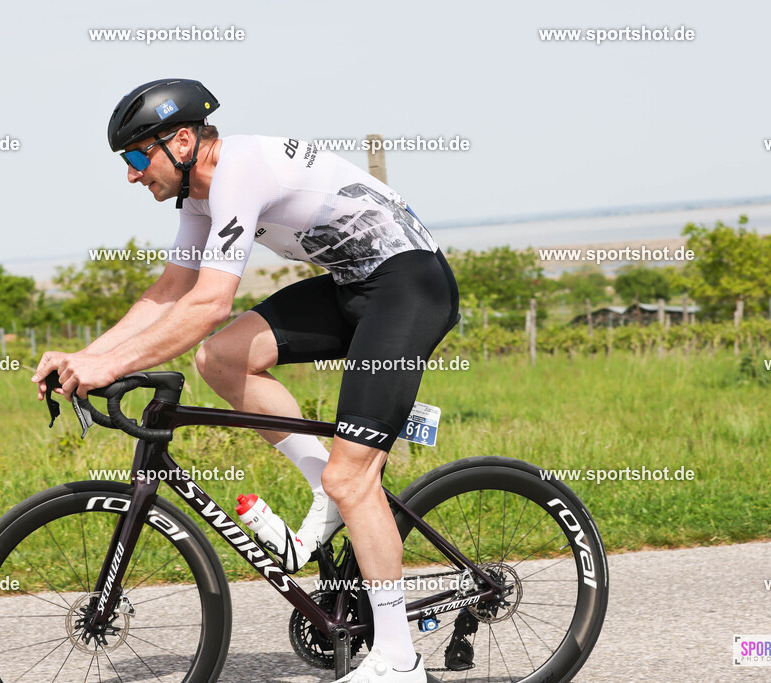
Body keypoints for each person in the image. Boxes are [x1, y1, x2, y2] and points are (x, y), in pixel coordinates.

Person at [32, 78, 459, 682]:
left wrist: (113, 365)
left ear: (182, 141)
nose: (131, 175)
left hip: (410, 286)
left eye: (135, 158)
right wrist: (86, 355)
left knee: (353, 474)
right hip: (350, 287)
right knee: (220, 359)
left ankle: (398, 659)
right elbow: (170, 291)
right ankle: (326, 493)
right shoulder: (199, 198)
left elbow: (209, 303)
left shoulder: (239, 170)